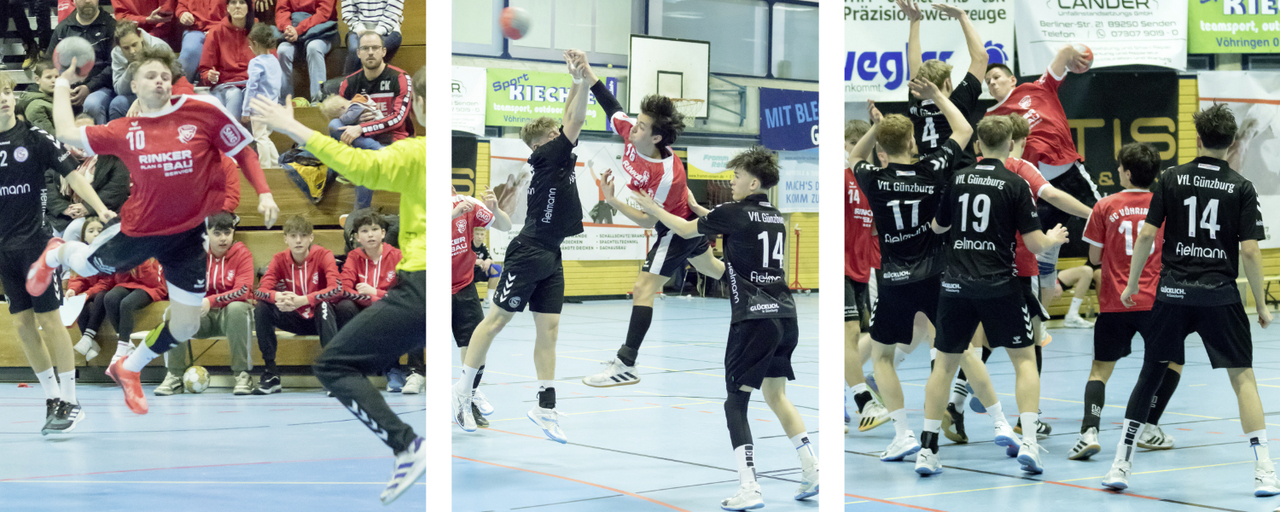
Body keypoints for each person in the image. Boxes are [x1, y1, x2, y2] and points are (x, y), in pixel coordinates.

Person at [30, 44, 278, 416]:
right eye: (150, 76)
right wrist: (64, 83)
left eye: (164, 75)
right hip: (140, 231)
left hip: (188, 235)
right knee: (84, 266)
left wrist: (265, 192)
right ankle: (55, 252)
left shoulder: (203, 111)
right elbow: (66, 131)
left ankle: (129, 367)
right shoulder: (124, 130)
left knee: (186, 324)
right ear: (134, 85)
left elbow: (243, 151)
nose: (159, 81)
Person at [248, 65, 425, 505]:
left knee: (333, 365)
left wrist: (293, 127)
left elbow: (361, 164)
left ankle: (407, 445)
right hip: (451, 283)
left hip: (423, 281)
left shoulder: (421, 152)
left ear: (419, 106)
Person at [1101, 105, 1279, 496]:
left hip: (1173, 294)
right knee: (1243, 378)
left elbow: (1147, 236)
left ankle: (1120, 465)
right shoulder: (1241, 186)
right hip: (1220, 295)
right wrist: (1263, 305)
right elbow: (1250, 251)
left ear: (1198, 139)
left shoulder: (1170, 178)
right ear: (1231, 143)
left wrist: (1132, 285)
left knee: (1150, 374)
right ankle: (1265, 469)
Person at [631, 146, 818, 509]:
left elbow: (685, 228)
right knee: (776, 395)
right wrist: (695, 205)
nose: (731, 182)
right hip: (785, 317)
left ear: (753, 182)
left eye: (736, 177)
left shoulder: (733, 213)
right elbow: (724, 221)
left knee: (736, 402)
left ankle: (749, 487)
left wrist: (654, 208)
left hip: (753, 320)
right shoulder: (774, 216)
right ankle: (812, 466)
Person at [849, 78, 1005, 463]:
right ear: (913, 142)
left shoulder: (873, 178)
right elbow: (964, 130)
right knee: (960, 351)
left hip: (895, 280)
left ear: (882, 149)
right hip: (937, 276)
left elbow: (854, 155)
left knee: (882, 358)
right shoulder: (932, 169)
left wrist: (876, 127)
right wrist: (937, 96)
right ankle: (1001, 423)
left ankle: (903, 433)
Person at [915, 115, 1070, 476]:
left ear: (978, 145)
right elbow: (1034, 243)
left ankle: (927, 450)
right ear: (1012, 145)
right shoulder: (1016, 184)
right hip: (1000, 284)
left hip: (955, 285)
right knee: (1025, 360)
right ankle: (1029, 443)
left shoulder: (957, 179)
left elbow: (938, 227)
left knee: (945, 365)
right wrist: (1053, 238)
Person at [449, 51, 587, 442]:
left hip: (551, 253)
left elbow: (567, 117)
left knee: (550, 329)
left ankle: (545, 406)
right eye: (556, 133)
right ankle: (463, 391)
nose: (563, 135)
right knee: (495, 322)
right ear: (543, 142)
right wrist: (584, 79)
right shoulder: (548, 154)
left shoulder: (557, 156)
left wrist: (574, 81)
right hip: (528, 251)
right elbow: (574, 120)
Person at [575, 49, 720, 388]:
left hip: (675, 228)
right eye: (636, 122)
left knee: (643, 288)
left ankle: (626, 363)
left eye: (641, 125)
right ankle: (757, 280)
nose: (633, 127)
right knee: (713, 269)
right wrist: (587, 71)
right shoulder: (632, 133)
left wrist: (612, 201)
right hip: (680, 224)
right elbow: (611, 105)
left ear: (656, 137)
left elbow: (647, 221)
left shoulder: (667, 175)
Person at [945, 112, 1092, 441]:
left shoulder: (968, 172)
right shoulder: (1020, 170)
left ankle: (955, 405)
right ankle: (1030, 419)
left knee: (978, 342)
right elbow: (1053, 196)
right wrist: (1095, 214)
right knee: (1031, 344)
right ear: (1017, 142)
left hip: (970, 270)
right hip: (1017, 268)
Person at [0, 72, 108, 436]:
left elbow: (74, 175)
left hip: (37, 247)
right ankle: (52, 398)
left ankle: (71, 400)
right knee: (22, 325)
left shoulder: (34, 137)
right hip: (3, 250)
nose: (4, 98)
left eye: (7, 91)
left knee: (49, 321)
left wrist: (100, 209)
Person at [1066, 142, 1181, 460]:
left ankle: (1089, 432)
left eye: (1119, 167)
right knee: (1172, 362)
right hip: (1155, 302)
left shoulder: (1105, 206)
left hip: (1115, 302)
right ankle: (1149, 426)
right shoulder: (1165, 205)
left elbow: (1094, 257)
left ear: (1128, 173)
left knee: (1100, 370)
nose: (1117, 170)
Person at [984, 44, 1100, 307]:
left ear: (1012, 79)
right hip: (1038, 187)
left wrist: (1075, 55)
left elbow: (1063, 55)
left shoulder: (1037, 88)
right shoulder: (992, 117)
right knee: (1043, 254)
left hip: (1070, 174)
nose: (992, 83)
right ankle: (1040, 314)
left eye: (996, 77)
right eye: (988, 81)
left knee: (1105, 218)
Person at [158, 211, 256, 396]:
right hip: (202, 318)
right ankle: (174, 376)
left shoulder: (243, 254)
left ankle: (242, 375)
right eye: (217, 233)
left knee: (237, 308)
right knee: (174, 311)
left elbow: (243, 291)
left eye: (227, 233)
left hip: (231, 317)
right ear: (207, 234)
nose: (223, 238)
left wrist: (210, 301)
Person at [252, 214, 340, 394]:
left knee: (324, 305)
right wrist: (278, 297)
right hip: (293, 318)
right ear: (286, 239)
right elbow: (259, 291)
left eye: (303, 235)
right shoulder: (279, 259)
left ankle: (333, 375)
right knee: (261, 307)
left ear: (311, 237)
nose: (298, 240)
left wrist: (304, 299)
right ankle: (271, 373)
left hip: (319, 320)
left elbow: (337, 289)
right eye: (293, 236)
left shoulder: (324, 255)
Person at [450, 187, 510, 427]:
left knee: (476, 346)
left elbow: (505, 226)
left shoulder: (469, 204)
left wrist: (496, 210)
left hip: (463, 286)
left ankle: (468, 397)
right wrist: (451, 215)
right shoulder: (422, 205)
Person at [843, 118, 889, 433]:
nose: (855, 150)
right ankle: (864, 401)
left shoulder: (871, 183)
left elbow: (872, 229)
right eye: (851, 145)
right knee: (848, 333)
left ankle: (850, 398)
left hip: (861, 269)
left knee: (856, 335)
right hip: (840, 266)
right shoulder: (842, 177)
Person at [899, 0, 985, 167]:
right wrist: (963, 17)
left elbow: (914, 64)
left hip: (927, 175)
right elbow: (981, 58)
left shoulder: (916, 102)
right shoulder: (959, 102)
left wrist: (914, 21)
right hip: (959, 175)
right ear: (948, 82)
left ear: (920, 83)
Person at [334, 208, 410, 392]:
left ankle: (393, 369)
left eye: (374, 229)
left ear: (383, 233)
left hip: (388, 309)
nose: (370, 235)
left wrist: (375, 293)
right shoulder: (354, 257)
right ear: (357, 237)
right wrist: (370, 299)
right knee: (344, 306)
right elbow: (344, 288)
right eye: (365, 231)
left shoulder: (397, 256)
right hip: (363, 308)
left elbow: (403, 293)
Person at [334, 31, 411, 209]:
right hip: (361, 141)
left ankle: (360, 216)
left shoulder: (400, 78)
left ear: (383, 51)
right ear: (358, 52)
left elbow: (398, 119)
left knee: (366, 163)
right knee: (333, 125)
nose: (370, 52)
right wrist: (356, 120)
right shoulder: (348, 83)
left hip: (393, 141)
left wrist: (363, 127)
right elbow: (341, 119)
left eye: (375, 48)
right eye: (365, 48)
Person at [45, 114, 130, 245]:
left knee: (73, 230)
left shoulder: (112, 156)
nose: (82, 135)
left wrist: (88, 208)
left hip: (100, 212)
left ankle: (73, 260)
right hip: (65, 213)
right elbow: (47, 185)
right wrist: (64, 208)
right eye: (78, 130)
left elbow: (116, 190)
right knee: (49, 232)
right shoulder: (60, 154)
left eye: (87, 130)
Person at [47, 0, 116, 125]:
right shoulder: (63, 28)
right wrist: (64, 86)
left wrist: (89, 87)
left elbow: (114, 65)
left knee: (92, 104)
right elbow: (50, 64)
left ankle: (97, 138)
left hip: (102, 87)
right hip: (70, 88)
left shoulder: (111, 26)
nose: (88, 1)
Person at [101, 258, 167, 367]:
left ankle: (121, 349)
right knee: (110, 298)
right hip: (130, 285)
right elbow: (120, 281)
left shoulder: (154, 257)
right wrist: (124, 266)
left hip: (152, 288)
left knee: (127, 304)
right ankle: (128, 345)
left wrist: (140, 263)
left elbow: (153, 282)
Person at [198, 0, 254, 118]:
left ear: (248, 7)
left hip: (251, 84)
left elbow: (271, 63)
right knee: (234, 95)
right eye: (233, 2)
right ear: (227, 7)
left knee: (252, 96)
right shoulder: (216, 32)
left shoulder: (259, 32)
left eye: (242, 2)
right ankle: (232, 130)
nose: (237, 6)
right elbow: (205, 71)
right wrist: (210, 76)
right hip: (225, 85)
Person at [275, 0, 336, 104]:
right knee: (282, 50)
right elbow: (282, 11)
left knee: (313, 48)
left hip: (321, 32)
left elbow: (323, 13)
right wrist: (287, 28)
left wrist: (299, 29)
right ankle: (285, 102)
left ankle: (318, 101)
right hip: (293, 32)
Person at [107, 21, 166, 121]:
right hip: (134, 94)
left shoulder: (159, 48)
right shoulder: (117, 53)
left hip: (161, 96)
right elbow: (119, 90)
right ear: (119, 47)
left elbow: (169, 86)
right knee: (117, 103)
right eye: (126, 48)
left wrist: (140, 101)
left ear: (141, 37)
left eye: (134, 45)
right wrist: (130, 69)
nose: (132, 51)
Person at [69, 217, 109, 361]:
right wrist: (73, 289)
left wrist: (87, 293)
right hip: (90, 293)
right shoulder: (79, 254)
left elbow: (107, 282)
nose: (96, 234)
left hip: (105, 291)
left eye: (100, 230)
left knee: (100, 297)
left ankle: (87, 338)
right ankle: (90, 341)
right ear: (84, 237)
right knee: (82, 303)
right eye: (91, 231)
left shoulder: (110, 253)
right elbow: (77, 277)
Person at [243, 22, 280, 168]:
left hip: (259, 108)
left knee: (260, 139)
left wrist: (246, 110)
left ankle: (264, 169)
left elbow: (251, 88)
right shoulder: (275, 60)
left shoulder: (255, 62)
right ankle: (276, 166)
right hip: (272, 107)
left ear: (255, 43)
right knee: (265, 137)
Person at [339, 0, 400, 75]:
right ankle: (348, 81)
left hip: (388, 30)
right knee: (356, 50)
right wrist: (360, 29)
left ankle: (377, 81)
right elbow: (348, 13)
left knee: (375, 48)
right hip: (358, 29)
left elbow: (393, 13)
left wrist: (376, 32)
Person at [175, 0, 226, 83]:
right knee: (191, 50)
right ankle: (180, 85)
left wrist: (219, 29)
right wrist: (183, 13)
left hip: (224, 29)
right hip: (196, 29)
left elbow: (240, 9)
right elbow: (181, 5)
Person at [110, 0, 175, 44]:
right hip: (131, 36)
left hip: (160, 35)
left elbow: (167, 15)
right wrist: (146, 20)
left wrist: (150, 36)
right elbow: (122, 17)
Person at [18, 60, 58, 133]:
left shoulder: (56, 97)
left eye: (57, 77)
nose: (54, 80)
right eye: (49, 77)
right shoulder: (36, 107)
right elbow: (48, 137)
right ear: (38, 80)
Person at [1056, 263, 1097, 328]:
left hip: (1049, 273)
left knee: (1086, 271)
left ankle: (1072, 316)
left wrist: (1055, 281)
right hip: (1040, 274)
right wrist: (1054, 281)